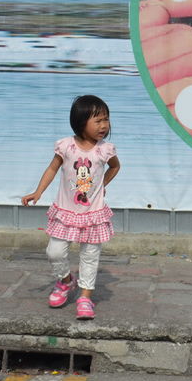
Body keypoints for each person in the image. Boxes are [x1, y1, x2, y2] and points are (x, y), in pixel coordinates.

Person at [21, 95, 121, 320]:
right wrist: (38, 192)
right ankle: (66, 281)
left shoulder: (105, 150)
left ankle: (85, 297)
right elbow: (52, 169)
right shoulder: (65, 146)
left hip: (93, 214)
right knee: (54, 252)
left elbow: (115, 167)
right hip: (65, 211)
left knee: (90, 256)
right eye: (98, 120)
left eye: (106, 119)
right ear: (80, 121)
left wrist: (102, 185)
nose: (104, 125)